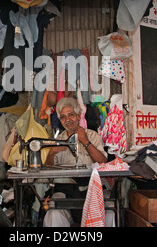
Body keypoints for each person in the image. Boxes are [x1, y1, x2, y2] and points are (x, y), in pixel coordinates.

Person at [43, 97, 108, 227]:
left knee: (110, 213)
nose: (67, 120)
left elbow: (103, 162)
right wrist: (51, 153)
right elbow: (47, 172)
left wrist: (86, 142)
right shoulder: (57, 141)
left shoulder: (92, 136)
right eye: (63, 117)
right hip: (66, 191)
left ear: (78, 116)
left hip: (92, 187)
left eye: (71, 115)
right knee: (53, 214)